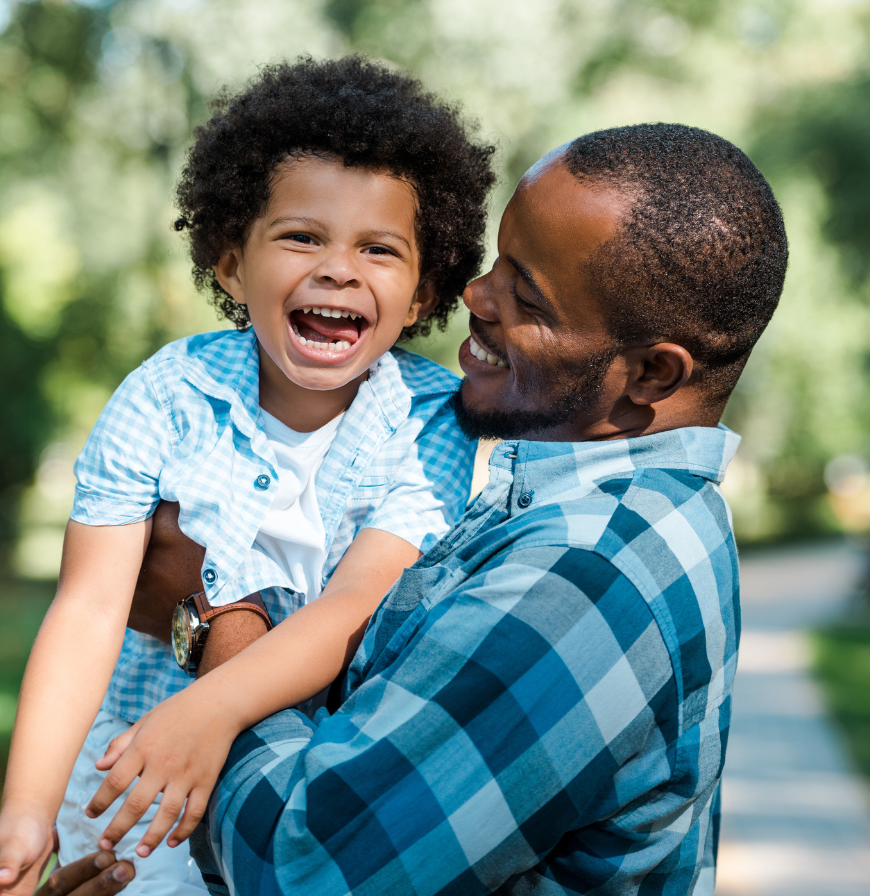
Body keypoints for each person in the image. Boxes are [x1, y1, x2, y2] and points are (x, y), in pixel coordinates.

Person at [45, 121, 786, 896]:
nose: (472, 294)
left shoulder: (586, 575)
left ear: (648, 374)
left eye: (524, 294)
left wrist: (210, 617)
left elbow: (308, 868)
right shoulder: (589, 511)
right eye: (496, 261)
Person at [0, 56, 495, 896]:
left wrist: (208, 710)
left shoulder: (432, 420)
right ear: (230, 265)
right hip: (135, 775)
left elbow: (355, 606)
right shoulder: (164, 396)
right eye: (300, 236)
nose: (338, 268)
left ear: (423, 287)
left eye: (378, 249)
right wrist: (25, 809)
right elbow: (90, 605)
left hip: (314, 781)